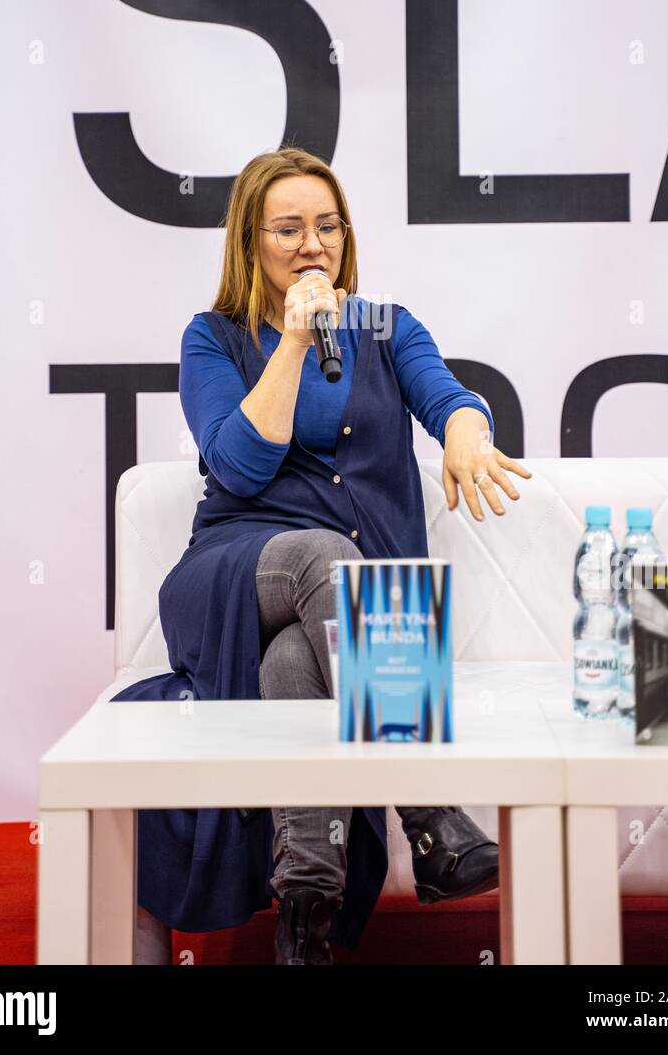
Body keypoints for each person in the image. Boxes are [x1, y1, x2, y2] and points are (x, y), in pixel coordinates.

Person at [111, 146, 532, 965]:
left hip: (353, 608)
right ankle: (431, 813)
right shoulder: (215, 338)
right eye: (289, 228)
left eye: (327, 226)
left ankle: (305, 918)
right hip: (237, 571)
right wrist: (295, 343)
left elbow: (448, 394)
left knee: (298, 660)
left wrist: (467, 437)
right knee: (324, 556)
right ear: (251, 242)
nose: (312, 244)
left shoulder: (384, 327)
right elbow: (236, 462)